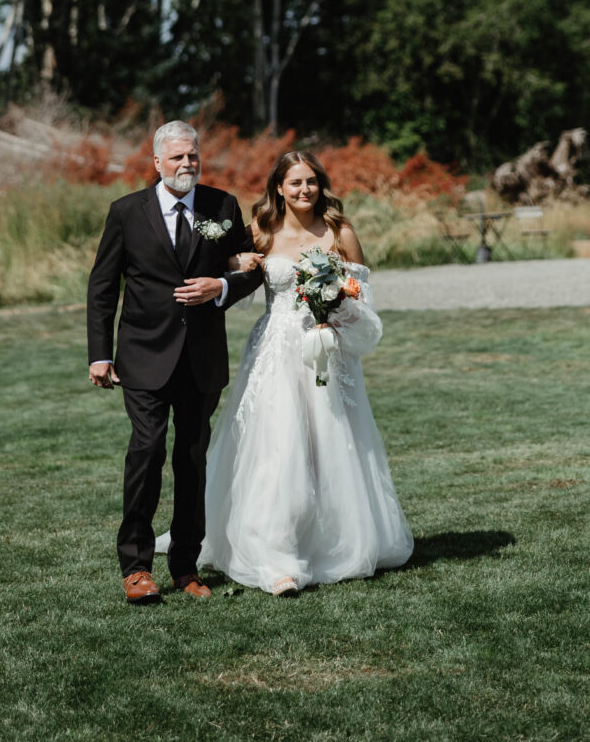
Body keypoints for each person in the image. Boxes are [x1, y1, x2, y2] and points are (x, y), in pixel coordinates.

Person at [196, 150, 414, 596]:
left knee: (333, 446)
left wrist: (336, 305)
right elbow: (229, 274)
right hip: (275, 353)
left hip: (327, 353)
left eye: (311, 181)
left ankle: (336, 542)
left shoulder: (340, 233)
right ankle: (275, 554)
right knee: (278, 448)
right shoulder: (260, 230)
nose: (304, 190)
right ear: (279, 187)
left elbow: (362, 300)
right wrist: (238, 266)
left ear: (321, 185)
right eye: (295, 183)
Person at [87, 120, 263, 604]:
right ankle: (137, 567)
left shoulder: (222, 206)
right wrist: (99, 352)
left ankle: (186, 566)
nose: (188, 164)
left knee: (192, 460)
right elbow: (103, 286)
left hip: (201, 359)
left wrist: (220, 287)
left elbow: (249, 268)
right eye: (178, 157)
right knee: (147, 450)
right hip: (143, 356)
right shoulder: (126, 212)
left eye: (194, 156)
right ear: (157, 162)